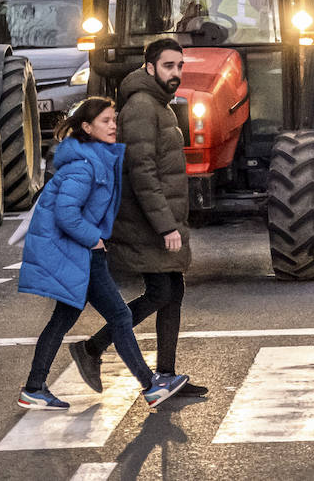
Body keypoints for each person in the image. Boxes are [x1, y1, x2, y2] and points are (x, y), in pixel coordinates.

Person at [16, 96, 187, 411]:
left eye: (114, 119)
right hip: (80, 252)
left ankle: (34, 387)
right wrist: (94, 238)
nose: (113, 126)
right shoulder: (84, 166)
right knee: (120, 316)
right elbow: (67, 213)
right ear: (86, 127)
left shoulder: (96, 158)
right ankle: (150, 386)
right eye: (106, 121)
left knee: (63, 319)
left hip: (78, 252)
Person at [68, 39, 207, 398]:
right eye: (168, 66)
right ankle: (92, 348)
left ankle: (167, 375)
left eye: (179, 66)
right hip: (143, 219)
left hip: (155, 215)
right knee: (161, 291)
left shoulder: (157, 105)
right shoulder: (143, 106)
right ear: (150, 67)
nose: (175, 73)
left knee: (172, 290)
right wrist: (165, 225)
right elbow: (141, 171)